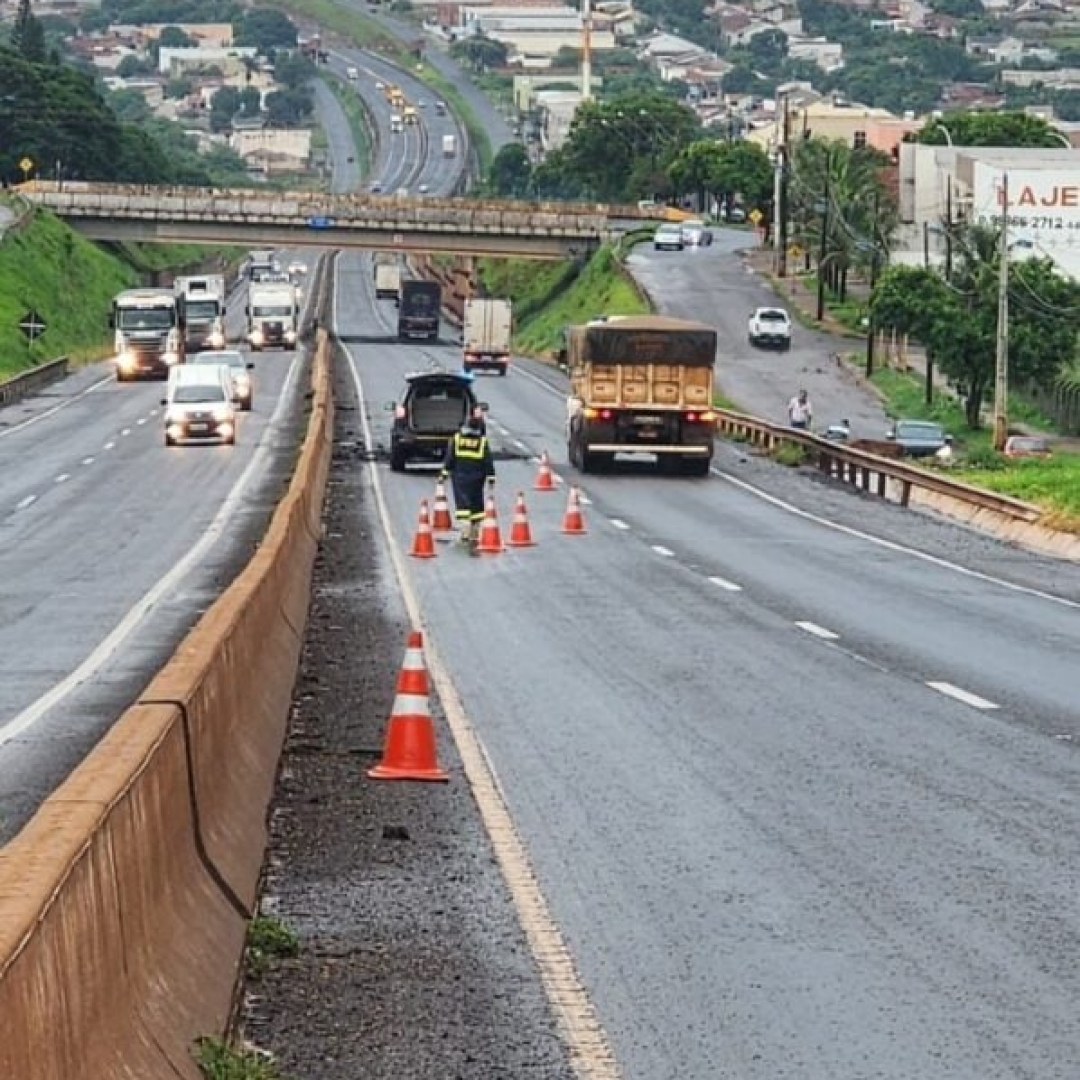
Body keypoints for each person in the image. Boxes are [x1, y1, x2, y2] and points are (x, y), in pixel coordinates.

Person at [440, 413, 495, 553]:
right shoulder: (482, 442)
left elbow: (450, 459)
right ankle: (475, 532)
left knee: (463, 504)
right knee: (476, 502)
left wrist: (444, 475)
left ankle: (465, 531)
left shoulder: (457, 439)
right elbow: (487, 461)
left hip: (460, 477)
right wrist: (491, 478)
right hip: (477, 478)